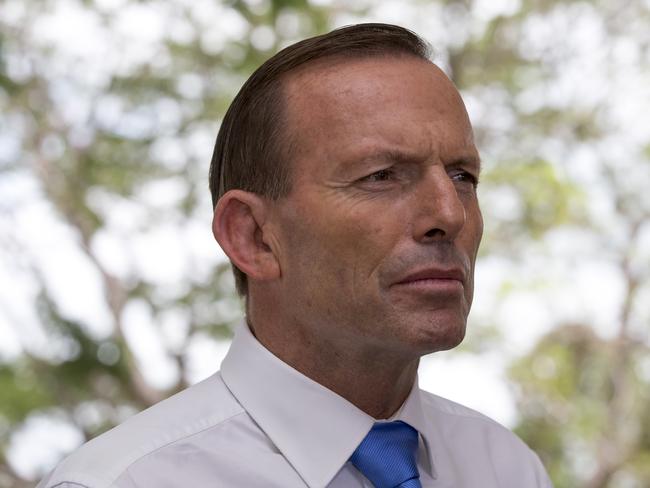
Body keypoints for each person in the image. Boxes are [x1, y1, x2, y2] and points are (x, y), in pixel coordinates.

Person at [38, 23, 552, 488]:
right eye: (381, 175)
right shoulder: (126, 481)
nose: (450, 213)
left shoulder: (505, 467)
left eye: (463, 176)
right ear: (254, 238)